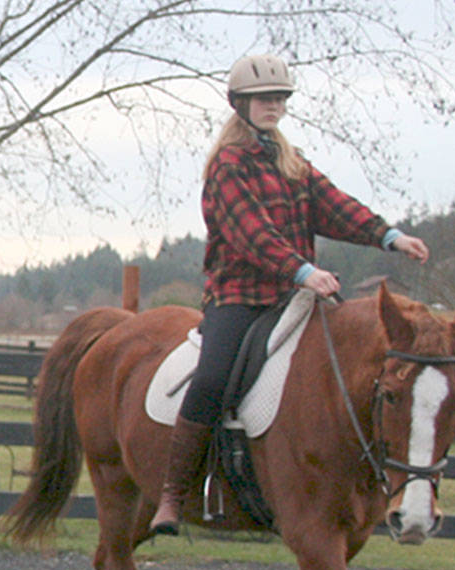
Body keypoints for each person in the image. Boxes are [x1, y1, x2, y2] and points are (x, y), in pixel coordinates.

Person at [150, 53, 431, 536]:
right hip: (240, 297)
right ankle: (172, 495)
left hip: (294, 296)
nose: (273, 106)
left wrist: (388, 236)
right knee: (213, 378)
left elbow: (335, 206)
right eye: (263, 99)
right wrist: (302, 270)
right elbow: (250, 232)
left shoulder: (291, 161)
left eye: (279, 98)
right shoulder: (227, 166)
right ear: (240, 103)